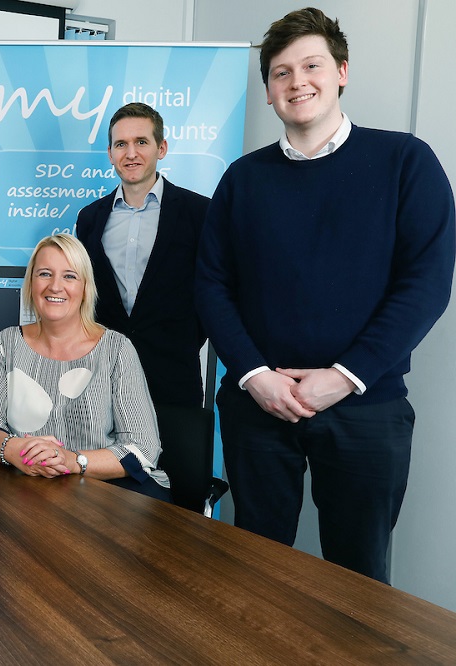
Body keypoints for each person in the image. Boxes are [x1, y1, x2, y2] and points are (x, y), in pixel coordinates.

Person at [195, 7, 455, 583]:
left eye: (311, 65)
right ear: (267, 92)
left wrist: (343, 376)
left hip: (365, 405)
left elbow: (427, 283)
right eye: (281, 73)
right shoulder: (242, 179)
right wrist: (255, 374)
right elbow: (211, 285)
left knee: (359, 577)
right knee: (255, 572)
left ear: (341, 71)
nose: (297, 82)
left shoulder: (405, 161)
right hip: (258, 405)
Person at [0, 234, 170, 501]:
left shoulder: (117, 349)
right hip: (27, 495)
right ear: (30, 284)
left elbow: (143, 448)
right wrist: (15, 449)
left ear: (86, 288)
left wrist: (72, 460)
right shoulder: (7, 343)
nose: (55, 286)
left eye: (69, 276)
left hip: (106, 498)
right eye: (44, 274)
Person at [76, 102, 210, 409]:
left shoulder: (200, 212)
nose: (131, 153)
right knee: (102, 458)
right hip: (100, 376)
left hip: (173, 376)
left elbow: (211, 291)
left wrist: (182, 341)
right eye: (121, 144)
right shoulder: (90, 218)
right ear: (110, 153)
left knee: (175, 458)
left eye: (141, 142)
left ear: (161, 148)